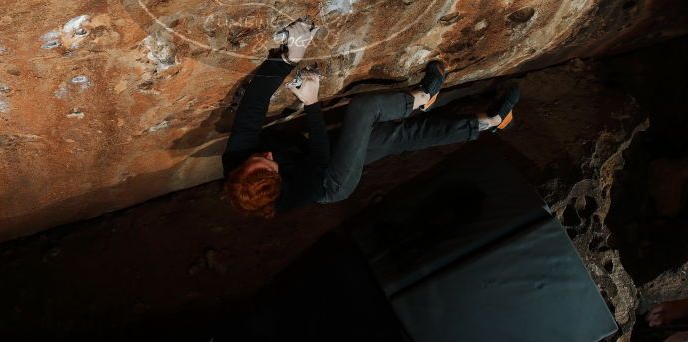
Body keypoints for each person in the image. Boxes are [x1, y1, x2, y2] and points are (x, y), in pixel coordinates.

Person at [222, 20, 520, 217]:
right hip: (331, 179)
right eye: (272, 164)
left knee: (394, 137)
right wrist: (311, 103)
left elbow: (252, 106)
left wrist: (289, 59)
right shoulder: (289, 194)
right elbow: (321, 158)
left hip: (313, 154)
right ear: (278, 179)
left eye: (259, 157)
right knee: (364, 110)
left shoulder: (236, 155)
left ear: (240, 168)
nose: (269, 153)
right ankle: (421, 98)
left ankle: (492, 121)